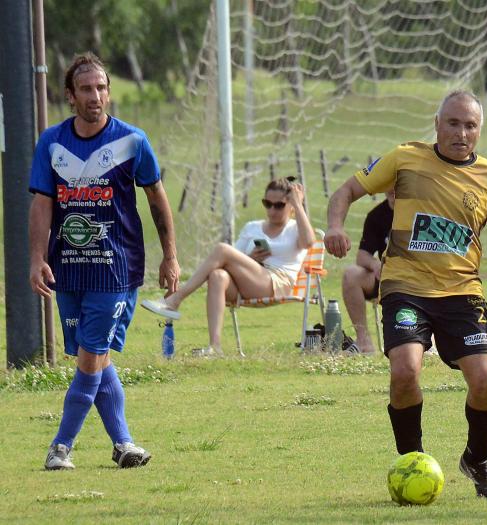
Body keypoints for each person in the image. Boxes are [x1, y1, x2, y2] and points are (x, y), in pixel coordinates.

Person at [325, 90, 487, 498]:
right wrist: (335, 227)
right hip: (405, 288)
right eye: (453, 123)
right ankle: (411, 462)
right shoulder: (404, 158)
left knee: (485, 382)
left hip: (462, 293)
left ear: (479, 131)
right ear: (436, 123)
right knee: (405, 372)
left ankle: (478, 460)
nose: (461, 133)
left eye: (470, 126)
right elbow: (345, 191)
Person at [28, 53, 180, 470]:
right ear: (70, 96)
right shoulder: (52, 143)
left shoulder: (132, 140)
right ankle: (124, 445)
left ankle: (60, 447)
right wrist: (37, 257)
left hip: (115, 268)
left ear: (109, 92)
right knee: (94, 358)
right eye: (86, 89)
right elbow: (43, 202)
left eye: (101, 88)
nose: (95, 96)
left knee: (91, 355)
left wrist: (170, 256)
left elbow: (156, 198)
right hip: (68, 268)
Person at [141, 178, 315, 355]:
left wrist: (298, 205)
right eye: (267, 203)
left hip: (278, 283)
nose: (272, 210)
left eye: (279, 205)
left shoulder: (296, 228)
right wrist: (250, 258)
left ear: (291, 206)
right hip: (248, 283)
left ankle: (176, 298)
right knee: (217, 275)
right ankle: (215, 347)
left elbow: (309, 242)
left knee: (222, 249)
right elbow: (229, 260)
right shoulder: (252, 227)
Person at [341, 190, 395, 354]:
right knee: (351, 275)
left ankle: (430, 342)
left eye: (397, 182)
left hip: (419, 278)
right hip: (387, 278)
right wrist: (375, 265)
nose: (392, 188)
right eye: (388, 183)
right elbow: (362, 255)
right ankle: (364, 342)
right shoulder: (377, 215)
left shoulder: (419, 209)